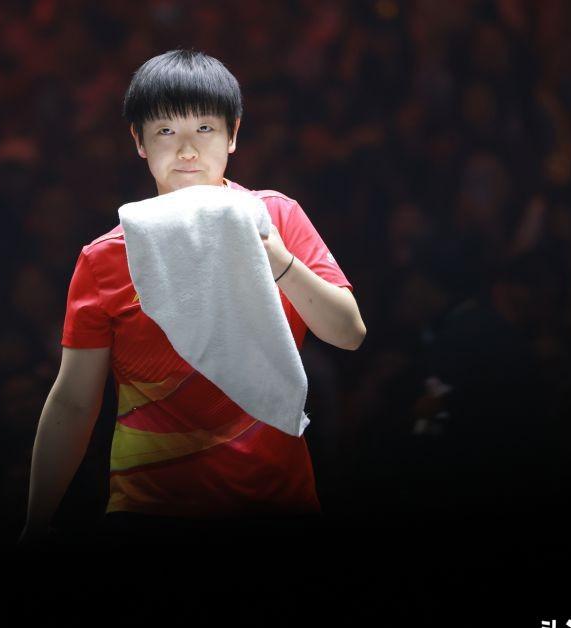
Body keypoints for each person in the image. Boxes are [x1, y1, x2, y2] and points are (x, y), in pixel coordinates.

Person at [20, 50, 365, 545]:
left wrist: (274, 257)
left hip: (277, 503)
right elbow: (74, 401)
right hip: (149, 513)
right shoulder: (105, 257)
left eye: (204, 128)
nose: (186, 150)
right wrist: (35, 524)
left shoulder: (279, 217)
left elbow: (349, 333)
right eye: (165, 131)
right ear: (138, 141)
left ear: (233, 134)